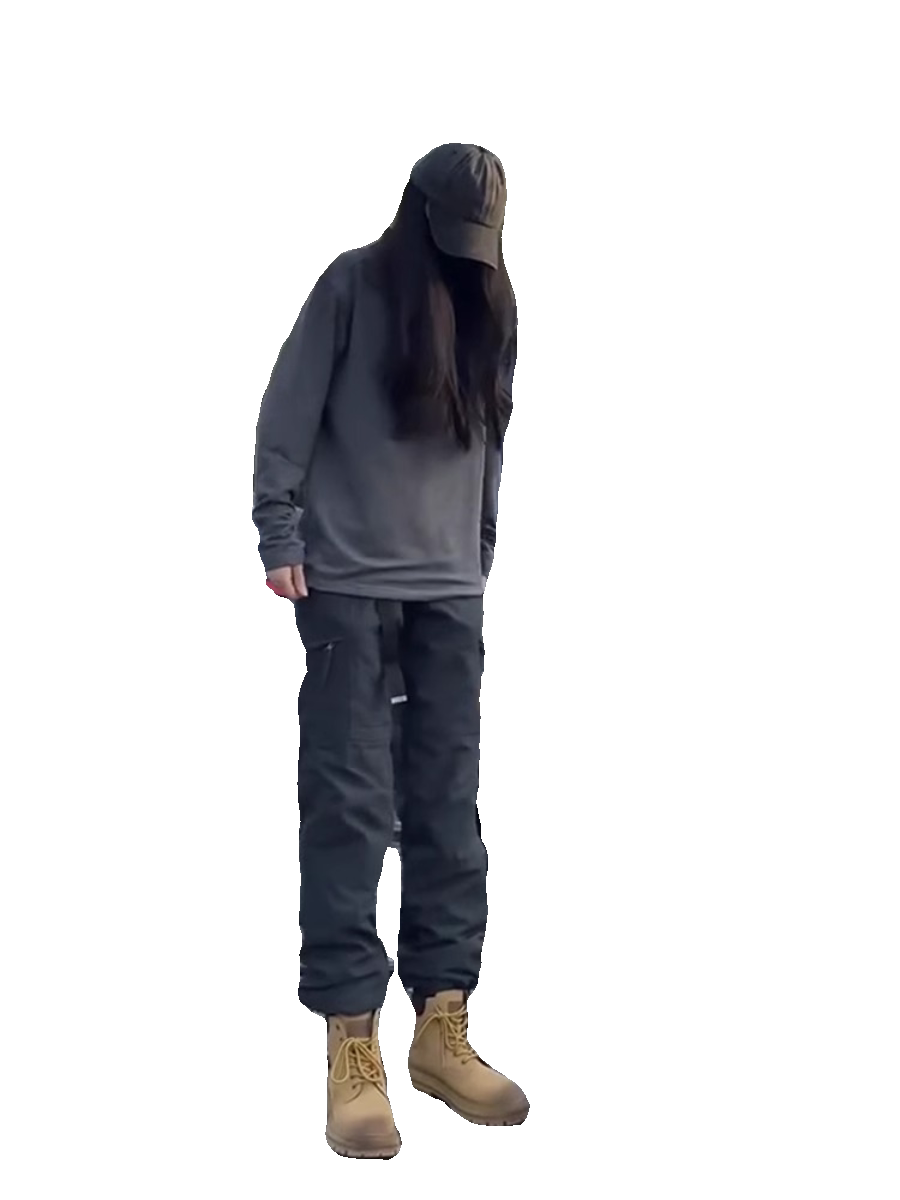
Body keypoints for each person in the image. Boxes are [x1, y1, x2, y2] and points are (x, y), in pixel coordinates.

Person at [252, 144, 525, 1158]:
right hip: (349, 587)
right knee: (350, 805)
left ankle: (442, 1027)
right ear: (416, 213)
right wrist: (279, 530)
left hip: (449, 592)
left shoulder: (492, 302)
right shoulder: (352, 286)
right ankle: (351, 1042)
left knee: (448, 812)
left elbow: (491, 439)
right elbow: (286, 410)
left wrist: (479, 551)